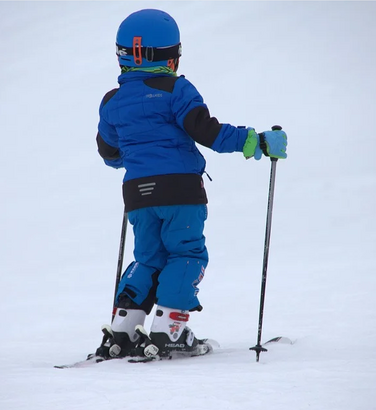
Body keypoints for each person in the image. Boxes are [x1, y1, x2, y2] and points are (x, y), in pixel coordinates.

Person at [94, 8, 288, 359]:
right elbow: (205, 130)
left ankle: (122, 330)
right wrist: (255, 141)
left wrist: (139, 157)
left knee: (149, 258)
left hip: (137, 194)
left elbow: (109, 153)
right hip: (180, 190)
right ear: (171, 56)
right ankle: (170, 330)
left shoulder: (112, 101)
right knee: (186, 254)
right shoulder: (176, 89)